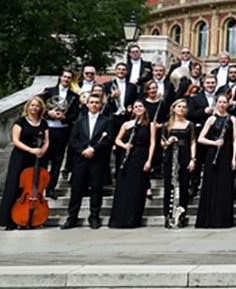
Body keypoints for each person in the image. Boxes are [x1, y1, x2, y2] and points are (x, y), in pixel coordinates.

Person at [0, 96, 50, 230]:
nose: (34, 108)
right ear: (28, 107)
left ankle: (32, 218)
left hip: (38, 157)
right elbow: (16, 141)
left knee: (35, 187)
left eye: (37, 106)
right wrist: (31, 150)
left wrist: (42, 151)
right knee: (15, 186)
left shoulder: (43, 123)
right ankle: (10, 220)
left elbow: (47, 140)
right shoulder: (20, 122)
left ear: (41, 108)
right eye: (32, 105)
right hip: (21, 156)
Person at [62, 94, 114, 229]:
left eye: (97, 102)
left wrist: (94, 150)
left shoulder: (107, 121)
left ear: (101, 105)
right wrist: (82, 151)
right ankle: (72, 217)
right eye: (92, 102)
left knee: (96, 189)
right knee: (76, 189)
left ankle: (94, 217)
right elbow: (73, 140)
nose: (94, 105)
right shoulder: (79, 122)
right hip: (81, 159)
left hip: (97, 159)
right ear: (87, 104)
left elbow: (108, 140)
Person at [195, 94, 236, 229]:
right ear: (216, 103)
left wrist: (234, 158)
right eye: (220, 102)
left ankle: (223, 220)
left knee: (225, 186)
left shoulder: (232, 119)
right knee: (212, 185)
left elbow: (235, 139)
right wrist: (214, 143)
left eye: (224, 102)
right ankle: (209, 219)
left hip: (227, 152)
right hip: (213, 153)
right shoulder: (211, 119)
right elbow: (200, 139)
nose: (222, 104)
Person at [108, 100, 153, 228]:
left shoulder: (150, 125)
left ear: (144, 108)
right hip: (127, 158)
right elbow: (117, 140)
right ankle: (120, 219)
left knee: (137, 189)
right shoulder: (126, 124)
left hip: (141, 156)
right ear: (132, 109)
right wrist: (124, 145)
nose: (138, 109)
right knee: (124, 188)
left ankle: (133, 220)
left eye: (140, 106)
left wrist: (149, 160)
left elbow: (152, 144)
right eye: (136, 107)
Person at [40, 71, 80, 195]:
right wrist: (48, 113)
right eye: (64, 77)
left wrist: (64, 118)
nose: (66, 79)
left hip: (63, 130)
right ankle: (41, 186)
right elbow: (39, 107)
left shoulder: (74, 96)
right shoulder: (49, 91)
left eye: (69, 78)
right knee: (44, 159)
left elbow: (74, 114)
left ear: (71, 80)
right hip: (48, 129)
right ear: (60, 78)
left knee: (58, 160)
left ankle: (51, 188)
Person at [159, 99, 197, 228]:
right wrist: (169, 141)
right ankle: (168, 216)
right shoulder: (167, 125)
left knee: (184, 186)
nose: (182, 109)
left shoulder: (189, 124)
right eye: (179, 106)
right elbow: (162, 144)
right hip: (171, 157)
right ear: (174, 108)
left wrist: (193, 159)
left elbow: (192, 142)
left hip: (184, 156)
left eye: (184, 107)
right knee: (169, 186)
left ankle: (181, 216)